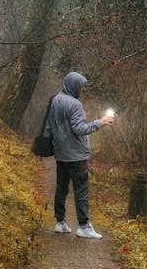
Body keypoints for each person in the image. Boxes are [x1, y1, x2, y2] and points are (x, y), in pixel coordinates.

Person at [48, 71, 114, 239]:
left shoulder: (56, 100)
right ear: (74, 86)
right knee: (81, 191)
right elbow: (80, 129)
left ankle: (60, 222)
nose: (83, 90)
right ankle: (84, 226)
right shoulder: (75, 104)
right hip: (76, 156)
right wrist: (101, 122)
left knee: (61, 188)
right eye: (81, 87)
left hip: (61, 154)